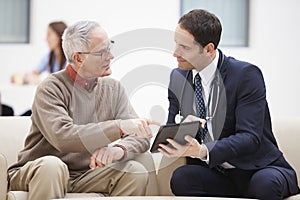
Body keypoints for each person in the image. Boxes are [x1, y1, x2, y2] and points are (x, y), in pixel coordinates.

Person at [8, 20, 159, 200]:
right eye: (102, 52)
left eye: (109, 47)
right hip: (39, 171)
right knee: (53, 166)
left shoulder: (113, 89)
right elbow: (64, 137)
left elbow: (139, 137)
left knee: (135, 171)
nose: (110, 56)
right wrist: (119, 127)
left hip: (85, 174)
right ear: (79, 58)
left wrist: (119, 149)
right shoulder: (50, 88)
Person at [158, 9, 299, 200]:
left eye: (185, 47)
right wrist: (183, 128)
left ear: (208, 49)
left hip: (257, 168)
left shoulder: (245, 75)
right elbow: (170, 134)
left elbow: (250, 137)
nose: (176, 53)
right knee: (182, 179)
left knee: (265, 185)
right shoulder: (178, 77)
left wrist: (203, 150)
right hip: (218, 173)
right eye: (176, 44)